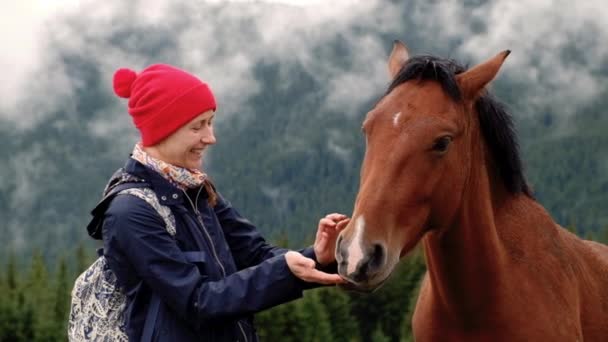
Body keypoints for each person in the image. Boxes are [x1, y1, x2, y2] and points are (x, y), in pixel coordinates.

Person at [98, 64, 349, 341]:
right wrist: (284, 270)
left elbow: (255, 253)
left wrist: (319, 256)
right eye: (197, 126)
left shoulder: (194, 189)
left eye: (210, 121)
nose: (210, 137)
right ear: (161, 130)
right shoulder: (130, 213)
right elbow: (197, 302)